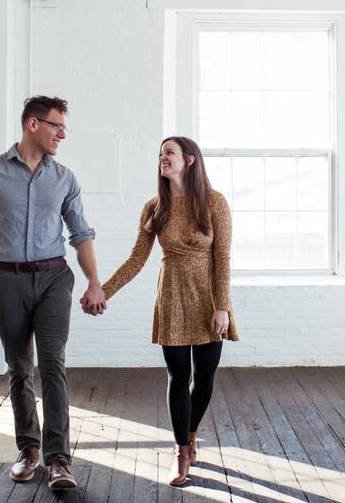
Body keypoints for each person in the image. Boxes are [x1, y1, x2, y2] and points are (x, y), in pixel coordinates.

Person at [0, 95, 107, 490]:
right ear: (33, 125)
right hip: (6, 280)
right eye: (56, 125)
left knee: (53, 365)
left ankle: (58, 459)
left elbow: (81, 235)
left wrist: (94, 280)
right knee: (19, 367)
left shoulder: (65, 178)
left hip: (54, 278)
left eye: (64, 127)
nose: (62, 134)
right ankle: (29, 450)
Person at [84, 136, 237, 486]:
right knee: (178, 375)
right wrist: (102, 290)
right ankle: (182, 451)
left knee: (205, 377)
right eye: (160, 154)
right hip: (172, 297)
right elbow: (138, 258)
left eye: (169, 153)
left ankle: (192, 431)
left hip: (209, 297)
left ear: (190, 160)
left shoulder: (214, 203)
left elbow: (223, 258)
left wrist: (222, 307)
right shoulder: (155, 207)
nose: (162, 158)